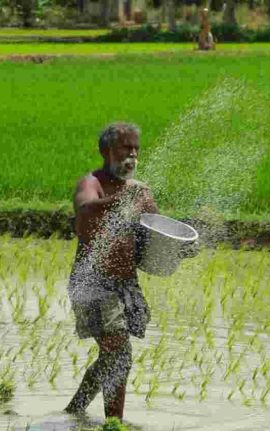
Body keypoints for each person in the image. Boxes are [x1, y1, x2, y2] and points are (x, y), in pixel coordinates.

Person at [64, 122, 158, 420]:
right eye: (124, 148)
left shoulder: (140, 191)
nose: (131, 154)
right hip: (93, 282)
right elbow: (85, 210)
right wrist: (120, 201)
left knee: (111, 355)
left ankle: (75, 410)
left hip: (126, 283)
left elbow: (157, 232)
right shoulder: (92, 183)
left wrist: (182, 247)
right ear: (106, 151)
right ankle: (113, 424)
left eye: (135, 149)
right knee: (120, 353)